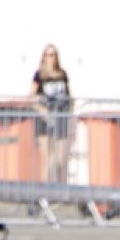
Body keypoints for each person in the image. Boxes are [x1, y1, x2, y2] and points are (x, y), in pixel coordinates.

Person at [30, 44, 73, 183]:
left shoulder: (62, 74)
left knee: (61, 158)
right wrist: (42, 110)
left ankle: (61, 189)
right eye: (47, 55)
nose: (50, 58)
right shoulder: (39, 75)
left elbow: (69, 94)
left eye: (53, 55)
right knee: (49, 158)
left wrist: (70, 110)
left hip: (61, 117)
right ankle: (46, 191)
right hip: (45, 119)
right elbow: (32, 96)